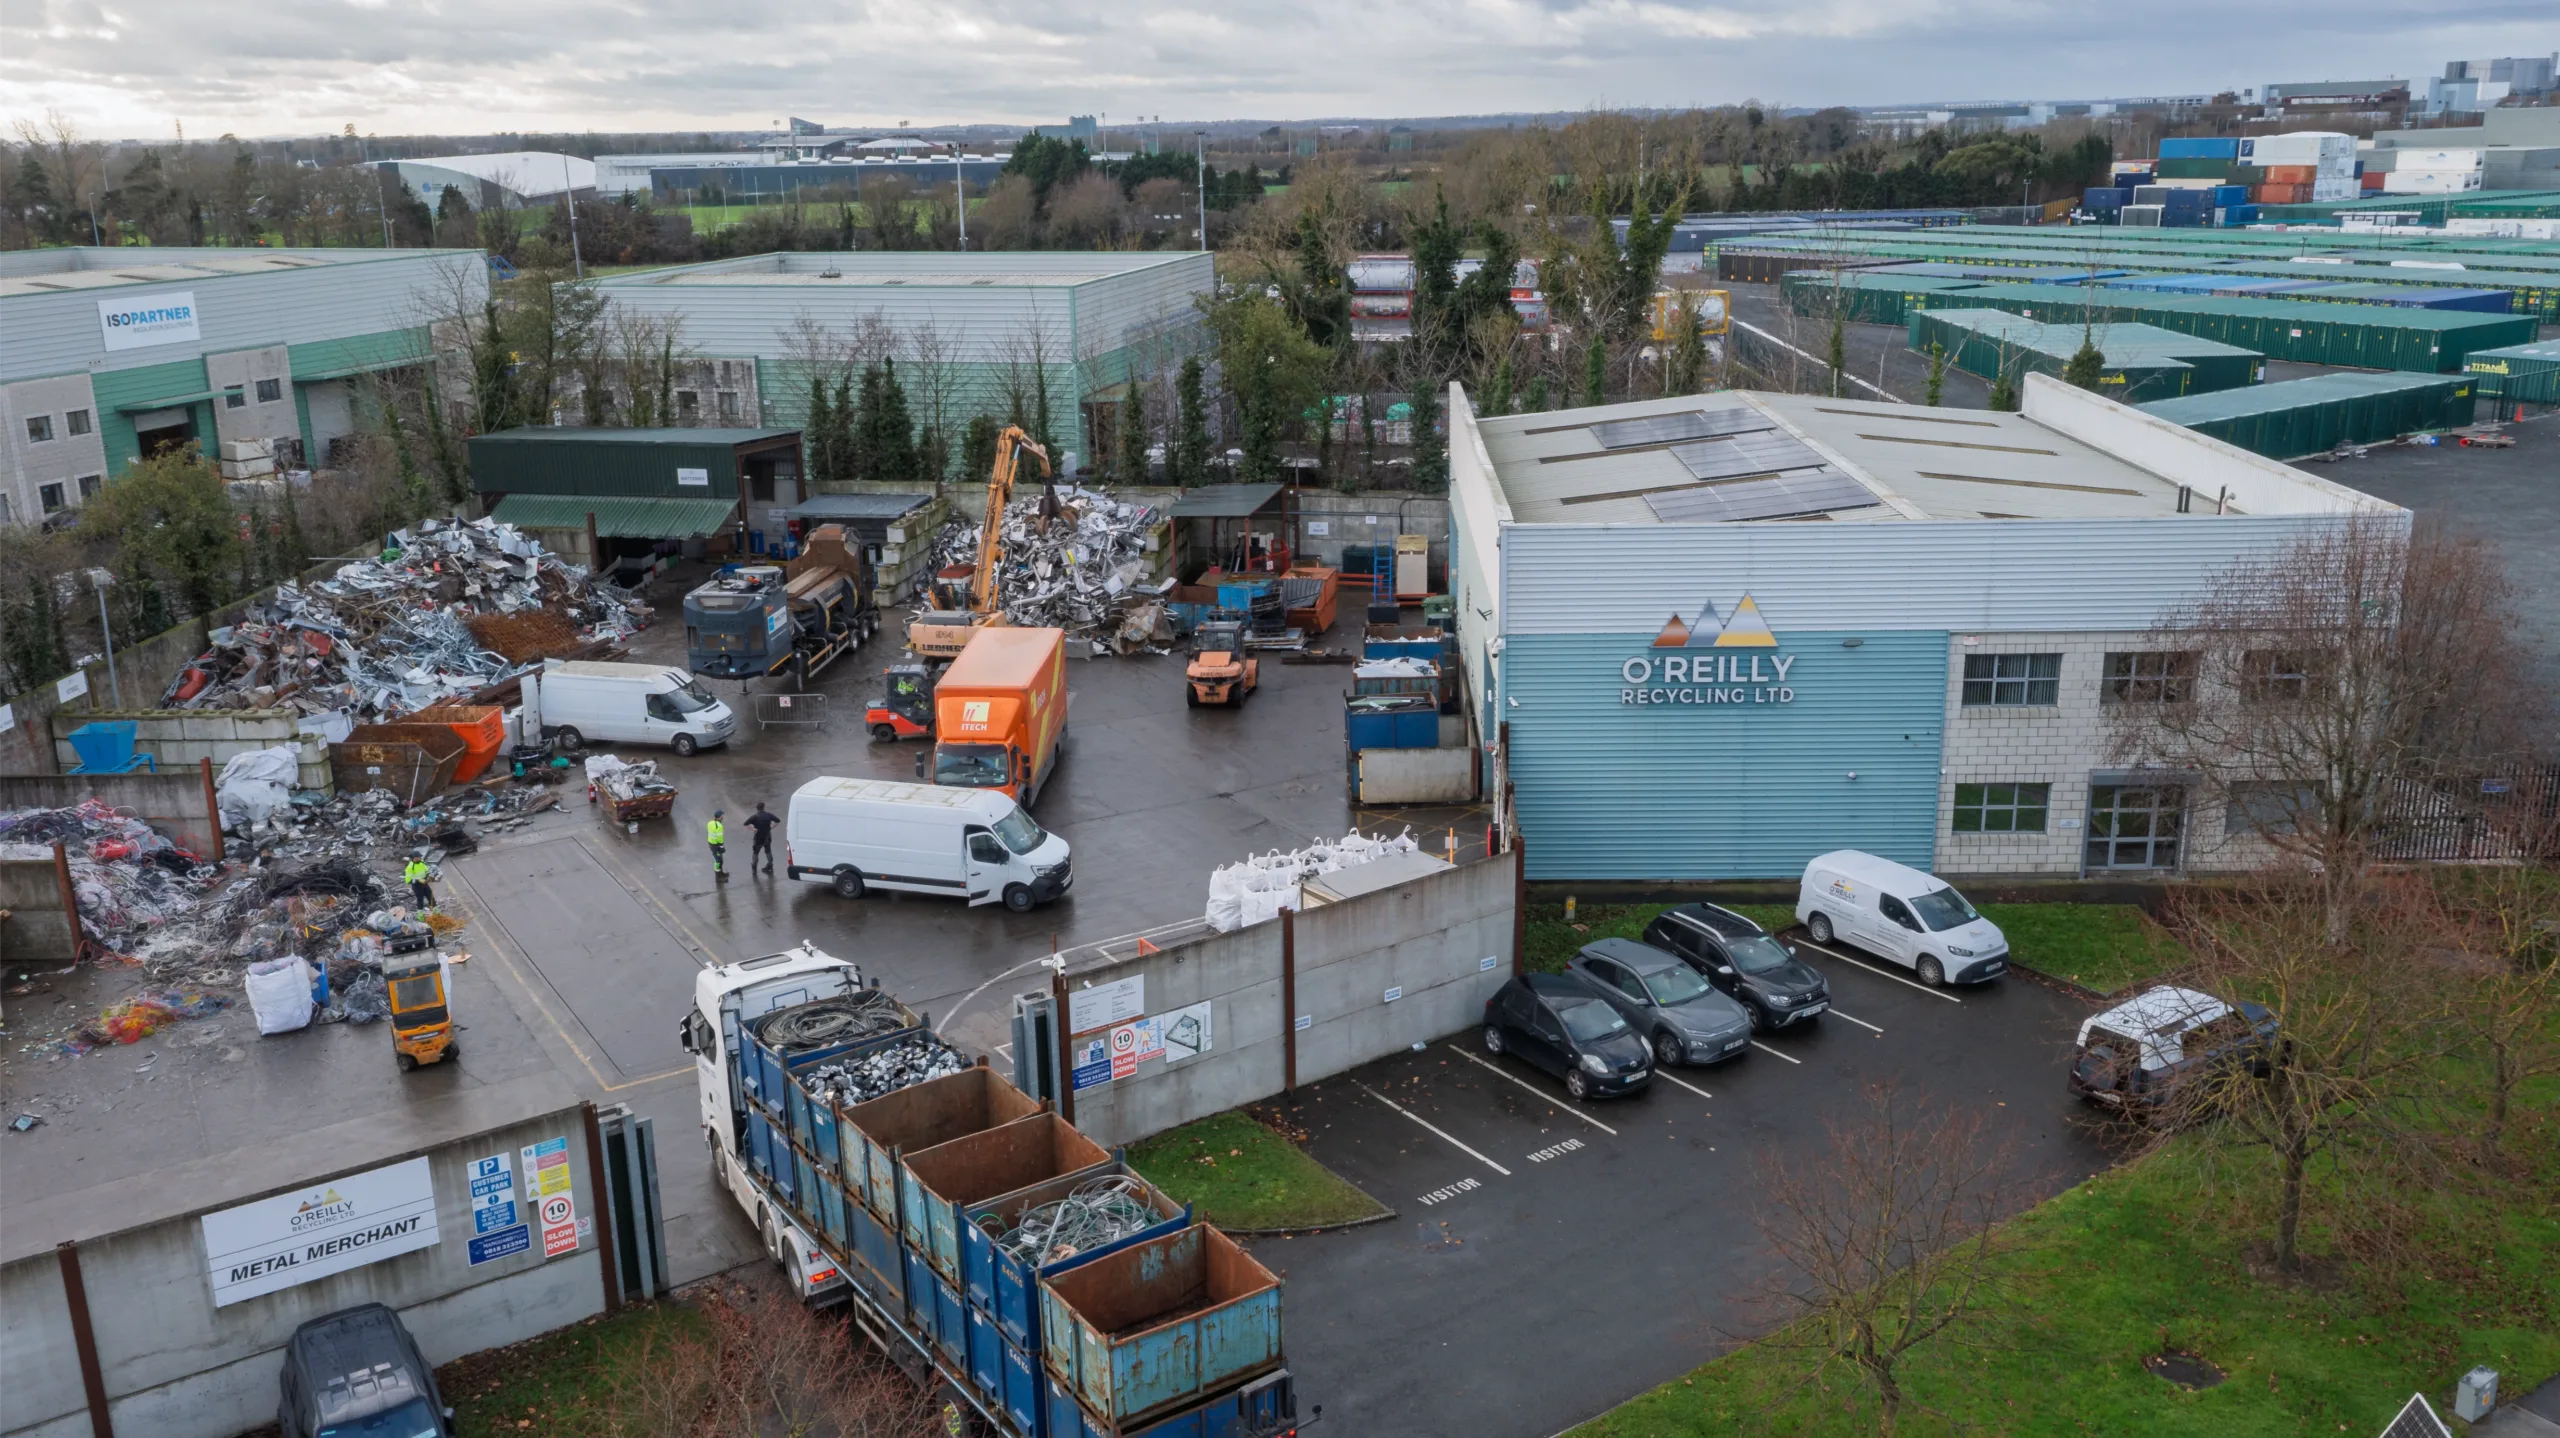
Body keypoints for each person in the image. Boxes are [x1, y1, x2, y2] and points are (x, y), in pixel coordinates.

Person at [743, 801, 779, 876]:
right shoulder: (768, 815)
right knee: (768, 851)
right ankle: (769, 866)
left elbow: (745, 824)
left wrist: (753, 829)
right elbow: (777, 821)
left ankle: (754, 868)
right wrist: (771, 827)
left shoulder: (755, 817)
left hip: (758, 838)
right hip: (767, 837)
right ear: (764, 807)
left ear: (757, 809)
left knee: (756, 853)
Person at [707, 810, 728, 882]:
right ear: (719, 817)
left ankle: (721, 873)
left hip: (711, 843)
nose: (723, 817)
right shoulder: (719, 826)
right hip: (715, 845)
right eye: (722, 816)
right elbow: (720, 838)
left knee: (720, 859)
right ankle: (718, 876)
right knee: (718, 860)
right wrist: (722, 847)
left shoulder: (710, 823)